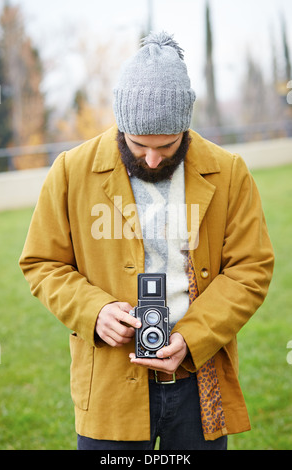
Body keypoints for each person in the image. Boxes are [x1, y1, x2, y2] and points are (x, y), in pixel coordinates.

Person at [19, 32, 274, 451]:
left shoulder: (230, 172)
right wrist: (94, 311)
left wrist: (191, 338)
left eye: (168, 145)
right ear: (121, 124)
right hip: (109, 388)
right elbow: (41, 263)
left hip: (198, 381)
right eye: (139, 146)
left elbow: (251, 268)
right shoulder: (70, 171)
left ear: (186, 127)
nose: (153, 159)